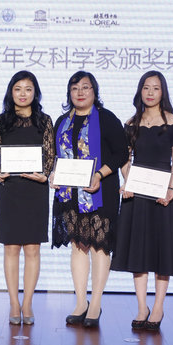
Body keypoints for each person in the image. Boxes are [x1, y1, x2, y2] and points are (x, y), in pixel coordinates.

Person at [111, 71, 173, 331]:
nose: (150, 92)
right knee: (138, 250)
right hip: (137, 194)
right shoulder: (130, 123)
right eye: (146, 87)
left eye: (156, 88)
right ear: (140, 91)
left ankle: (158, 307)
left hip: (163, 194)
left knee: (162, 250)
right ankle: (141, 307)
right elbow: (124, 159)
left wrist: (171, 188)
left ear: (162, 92)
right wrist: (128, 181)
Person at [51, 71, 127, 328]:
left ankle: (95, 303)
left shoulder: (107, 118)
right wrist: (54, 174)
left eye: (85, 87)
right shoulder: (62, 121)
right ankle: (80, 302)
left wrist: (99, 174)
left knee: (99, 246)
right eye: (75, 88)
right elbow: (57, 157)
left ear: (95, 91)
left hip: (100, 191)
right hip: (70, 194)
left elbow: (120, 154)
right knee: (78, 245)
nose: (80, 92)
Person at [0, 71, 55, 325]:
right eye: (18, 89)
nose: (23, 93)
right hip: (9, 189)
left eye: (28, 89)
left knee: (33, 249)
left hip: (35, 190)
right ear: (11, 92)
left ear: (35, 93)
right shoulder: (1, 121)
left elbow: (49, 155)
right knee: (11, 248)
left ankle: (27, 302)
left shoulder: (44, 121)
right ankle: (13, 303)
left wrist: (45, 173)